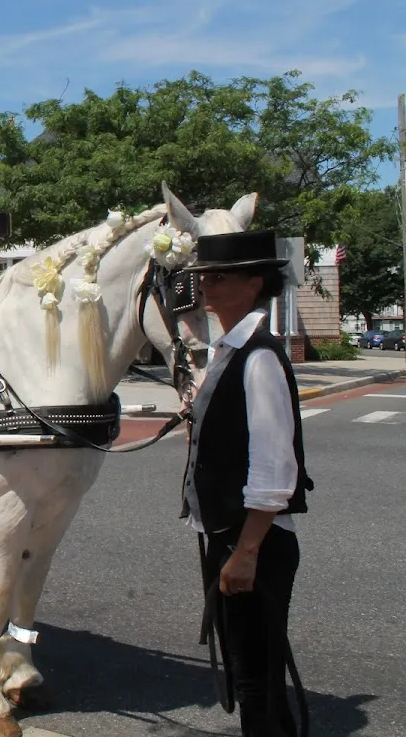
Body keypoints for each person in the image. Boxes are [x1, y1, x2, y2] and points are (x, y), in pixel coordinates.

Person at [181, 229, 312, 736]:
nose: (206, 286)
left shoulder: (257, 357)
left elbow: (275, 467)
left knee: (256, 678)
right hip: (230, 534)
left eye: (218, 277)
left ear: (254, 282)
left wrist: (247, 551)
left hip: (253, 538)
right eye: (203, 277)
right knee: (250, 672)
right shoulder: (229, 350)